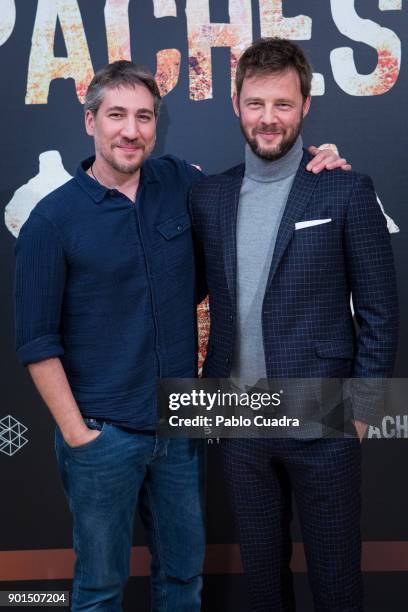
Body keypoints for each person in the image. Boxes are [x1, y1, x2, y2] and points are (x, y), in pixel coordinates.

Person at [14, 59, 350, 611]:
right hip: (102, 435)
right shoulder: (52, 221)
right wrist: (78, 436)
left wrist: (319, 160)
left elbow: (260, 187)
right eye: (117, 115)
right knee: (99, 588)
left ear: (156, 124)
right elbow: (36, 342)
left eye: (144, 116)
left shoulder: (181, 184)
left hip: (180, 429)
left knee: (183, 580)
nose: (131, 130)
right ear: (89, 121)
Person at [189, 38, 398, 611]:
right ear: (235, 104)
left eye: (283, 104)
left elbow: (379, 311)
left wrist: (361, 414)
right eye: (256, 104)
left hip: (324, 419)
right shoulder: (208, 197)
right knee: (262, 587)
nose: (268, 118)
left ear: (306, 105)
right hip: (239, 423)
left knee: (336, 585)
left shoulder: (345, 188)